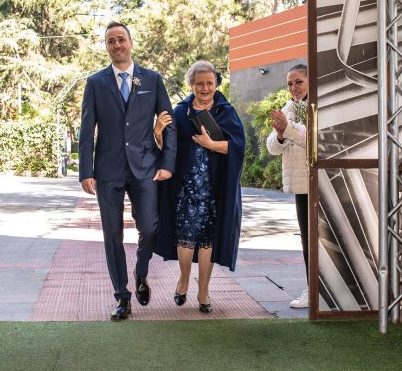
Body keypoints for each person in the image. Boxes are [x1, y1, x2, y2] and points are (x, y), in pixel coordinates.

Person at [78, 21, 177, 321]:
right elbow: (86, 130)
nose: (117, 45)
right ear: (106, 47)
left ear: (131, 43)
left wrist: (167, 165)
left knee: (149, 227)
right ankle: (122, 296)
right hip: (107, 170)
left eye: (121, 39)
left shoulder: (152, 79)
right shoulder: (95, 83)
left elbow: (168, 122)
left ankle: (141, 271)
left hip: (145, 167)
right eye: (111, 41)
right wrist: (86, 171)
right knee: (112, 235)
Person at [156, 61, 245, 313]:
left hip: (215, 188)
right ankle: (184, 280)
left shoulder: (226, 111)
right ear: (191, 85)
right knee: (185, 237)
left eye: (209, 83)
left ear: (216, 84)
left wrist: (211, 144)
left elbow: (237, 147)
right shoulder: (181, 111)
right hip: (186, 187)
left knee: (208, 240)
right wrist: (159, 134)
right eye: (199, 83)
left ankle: (204, 290)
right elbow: (168, 149)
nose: (205, 88)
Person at [266, 63, 309, 309]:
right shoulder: (289, 107)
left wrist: (288, 129)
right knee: (306, 239)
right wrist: (282, 133)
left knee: (321, 240)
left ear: (310, 81)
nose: (293, 88)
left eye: (299, 82)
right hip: (301, 186)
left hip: (322, 183)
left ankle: (325, 290)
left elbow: (315, 137)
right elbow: (272, 146)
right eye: (290, 83)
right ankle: (312, 288)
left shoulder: (319, 105)